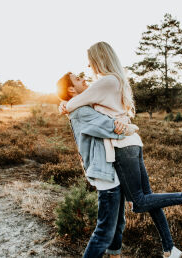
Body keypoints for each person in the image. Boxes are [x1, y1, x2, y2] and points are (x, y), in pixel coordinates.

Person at [59, 41, 182, 258]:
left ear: (99, 59)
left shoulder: (105, 82)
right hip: (131, 143)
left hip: (122, 145)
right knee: (147, 198)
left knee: (140, 201)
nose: (88, 68)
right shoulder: (115, 80)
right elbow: (83, 105)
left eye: (90, 63)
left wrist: (62, 105)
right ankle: (169, 248)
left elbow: (73, 105)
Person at [57, 72, 138, 258]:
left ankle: (115, 255)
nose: (84, 79)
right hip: (104, 173)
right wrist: (130, 126)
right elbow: (114, 127)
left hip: (111, 169)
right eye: (78, 79)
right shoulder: (81, 111)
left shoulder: (85, 105)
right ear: (71, 88)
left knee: (118, 224)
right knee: (104, 233)